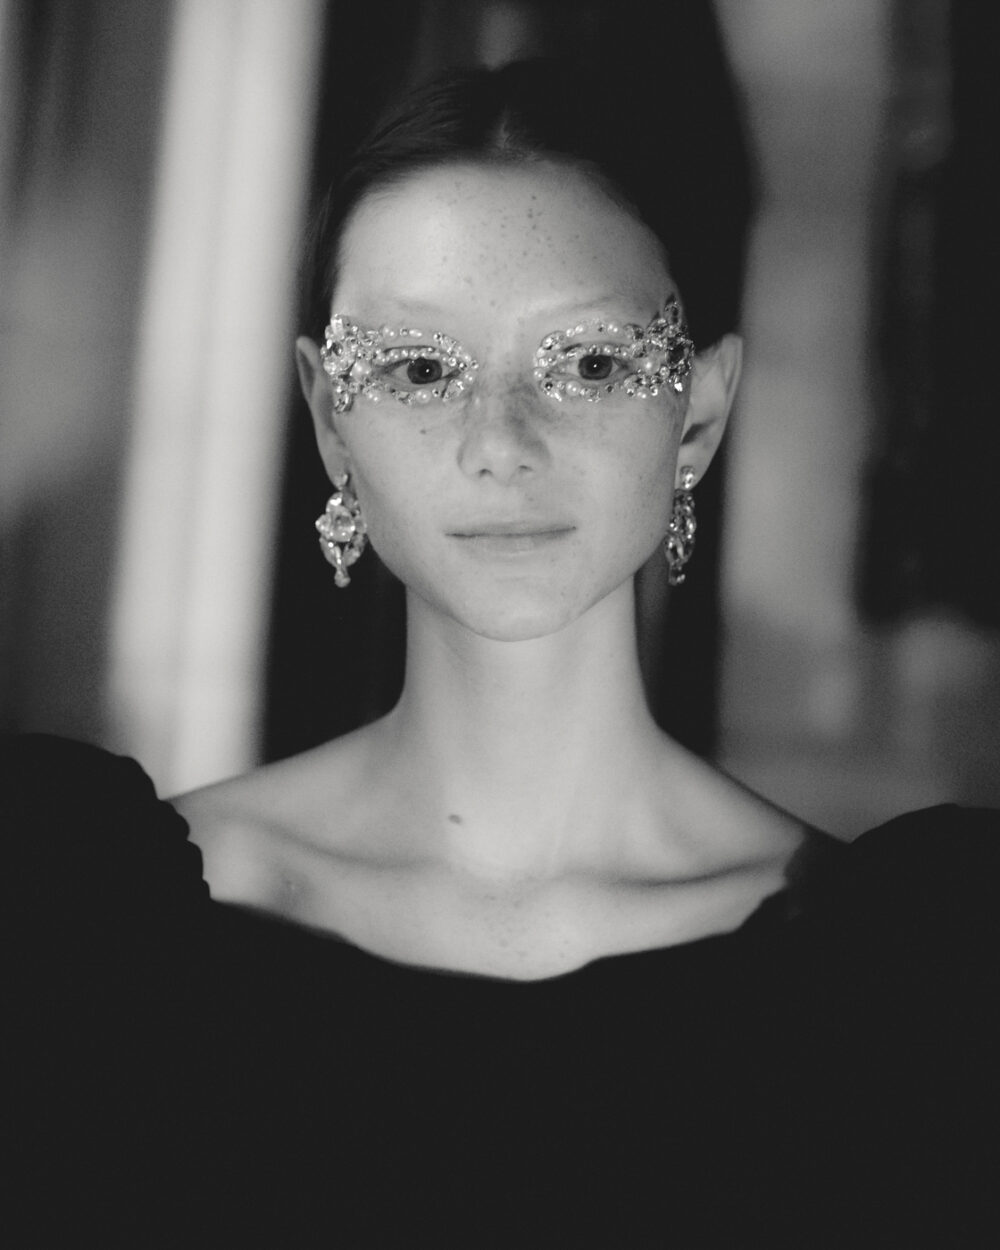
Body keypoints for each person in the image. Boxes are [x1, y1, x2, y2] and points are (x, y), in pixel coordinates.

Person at [7, 59, 999, 1248]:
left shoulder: (921, 984)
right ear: (329, 415)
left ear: (696, 411)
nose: (500, 443)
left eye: (589, 363)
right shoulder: (80, 930)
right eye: (419, 368)